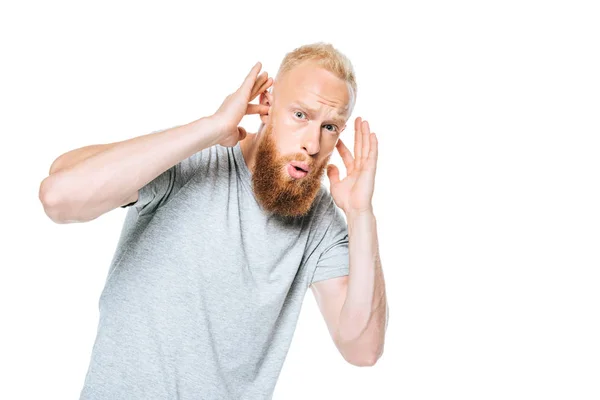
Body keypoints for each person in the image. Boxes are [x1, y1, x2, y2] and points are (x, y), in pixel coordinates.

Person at [39, 42, 388, 400]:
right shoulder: (190, 159)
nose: (313, 144)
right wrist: (212, 127)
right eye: (300, 115)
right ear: (267, 104)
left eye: (329, 126)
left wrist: (361, 214)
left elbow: (362, 348)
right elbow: (59, 197)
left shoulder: (321, 222)